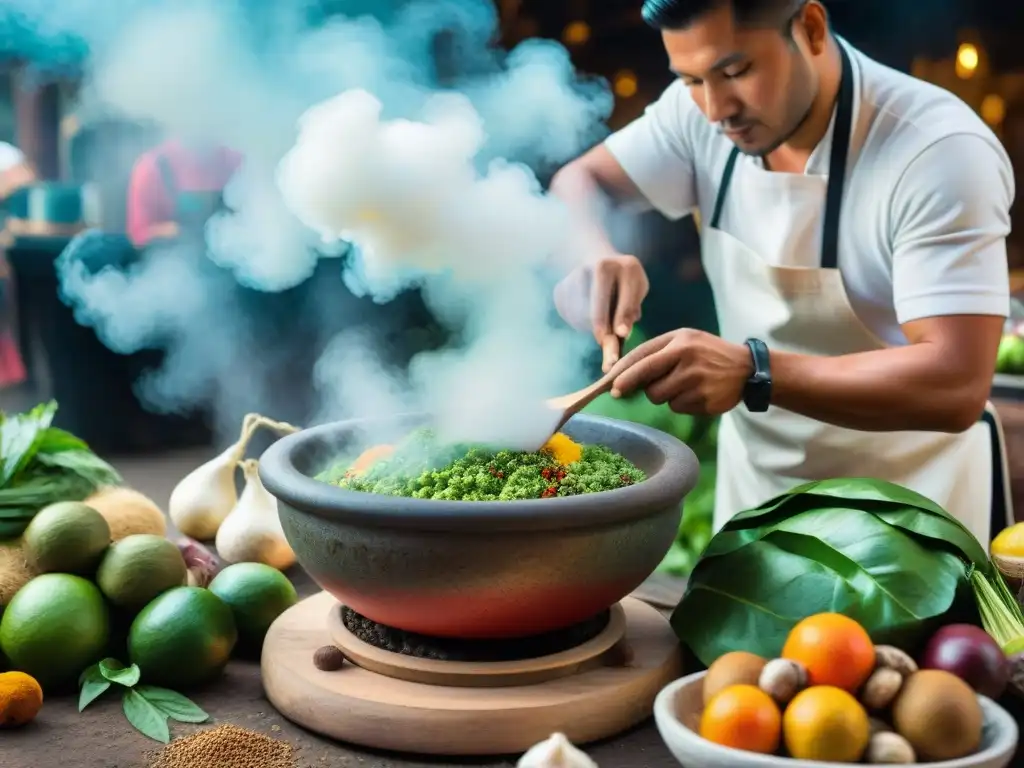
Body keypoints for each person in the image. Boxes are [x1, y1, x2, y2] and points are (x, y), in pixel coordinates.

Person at [551, 0, 1015, 542]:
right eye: (690, 79)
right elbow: (578, 183)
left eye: (736, 71)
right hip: (756, 512)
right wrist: (591, 252)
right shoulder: (697, 113)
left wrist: (753, 371)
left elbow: (956, 383)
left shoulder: (937, 151)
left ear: (811, 28)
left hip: (913, 522)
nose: (715, 109)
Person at [125, 136, 242, 248]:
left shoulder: (235, 162)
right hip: (173, 259)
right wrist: (173, 231)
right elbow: (138, 235)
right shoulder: (152, 168)